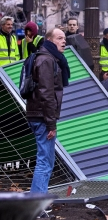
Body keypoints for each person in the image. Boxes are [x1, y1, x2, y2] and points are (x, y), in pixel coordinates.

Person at [26, 28, 70, 195]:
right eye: (59, 38)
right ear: (50, 40)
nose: (64, 41)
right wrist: (51, 123)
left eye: (64, 38)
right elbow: (46, 92)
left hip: (39, 114)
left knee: (46, 160)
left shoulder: (49, 58)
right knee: (45, 161)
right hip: (42, 116)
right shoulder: (46, 60)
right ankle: (36, 204)